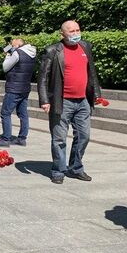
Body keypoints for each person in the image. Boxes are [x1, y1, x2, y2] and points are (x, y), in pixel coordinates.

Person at [38, 20, 102, 184]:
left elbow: (92, 72)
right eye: (71, 31)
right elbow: (43, 78)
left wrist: (96, 93)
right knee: (59, 139)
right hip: (62, 101)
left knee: (84, 136)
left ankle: (75, 168)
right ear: (62, 34)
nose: (75, 34)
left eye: (77, 30)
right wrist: (45, 100)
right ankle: (58, 170)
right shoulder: (53, 50)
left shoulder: (85, 47)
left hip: (83, 101)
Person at [0, 37, 37, 147]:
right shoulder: (31, 53)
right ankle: (22, 138)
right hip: (25, 88)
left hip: (14, 87)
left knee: (5, 113)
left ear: (18, 45)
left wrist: (8, 54)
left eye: (13, 45)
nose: (11, 46)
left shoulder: (16, 53)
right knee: (23, 113)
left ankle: (6, 139)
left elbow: (5, 67)